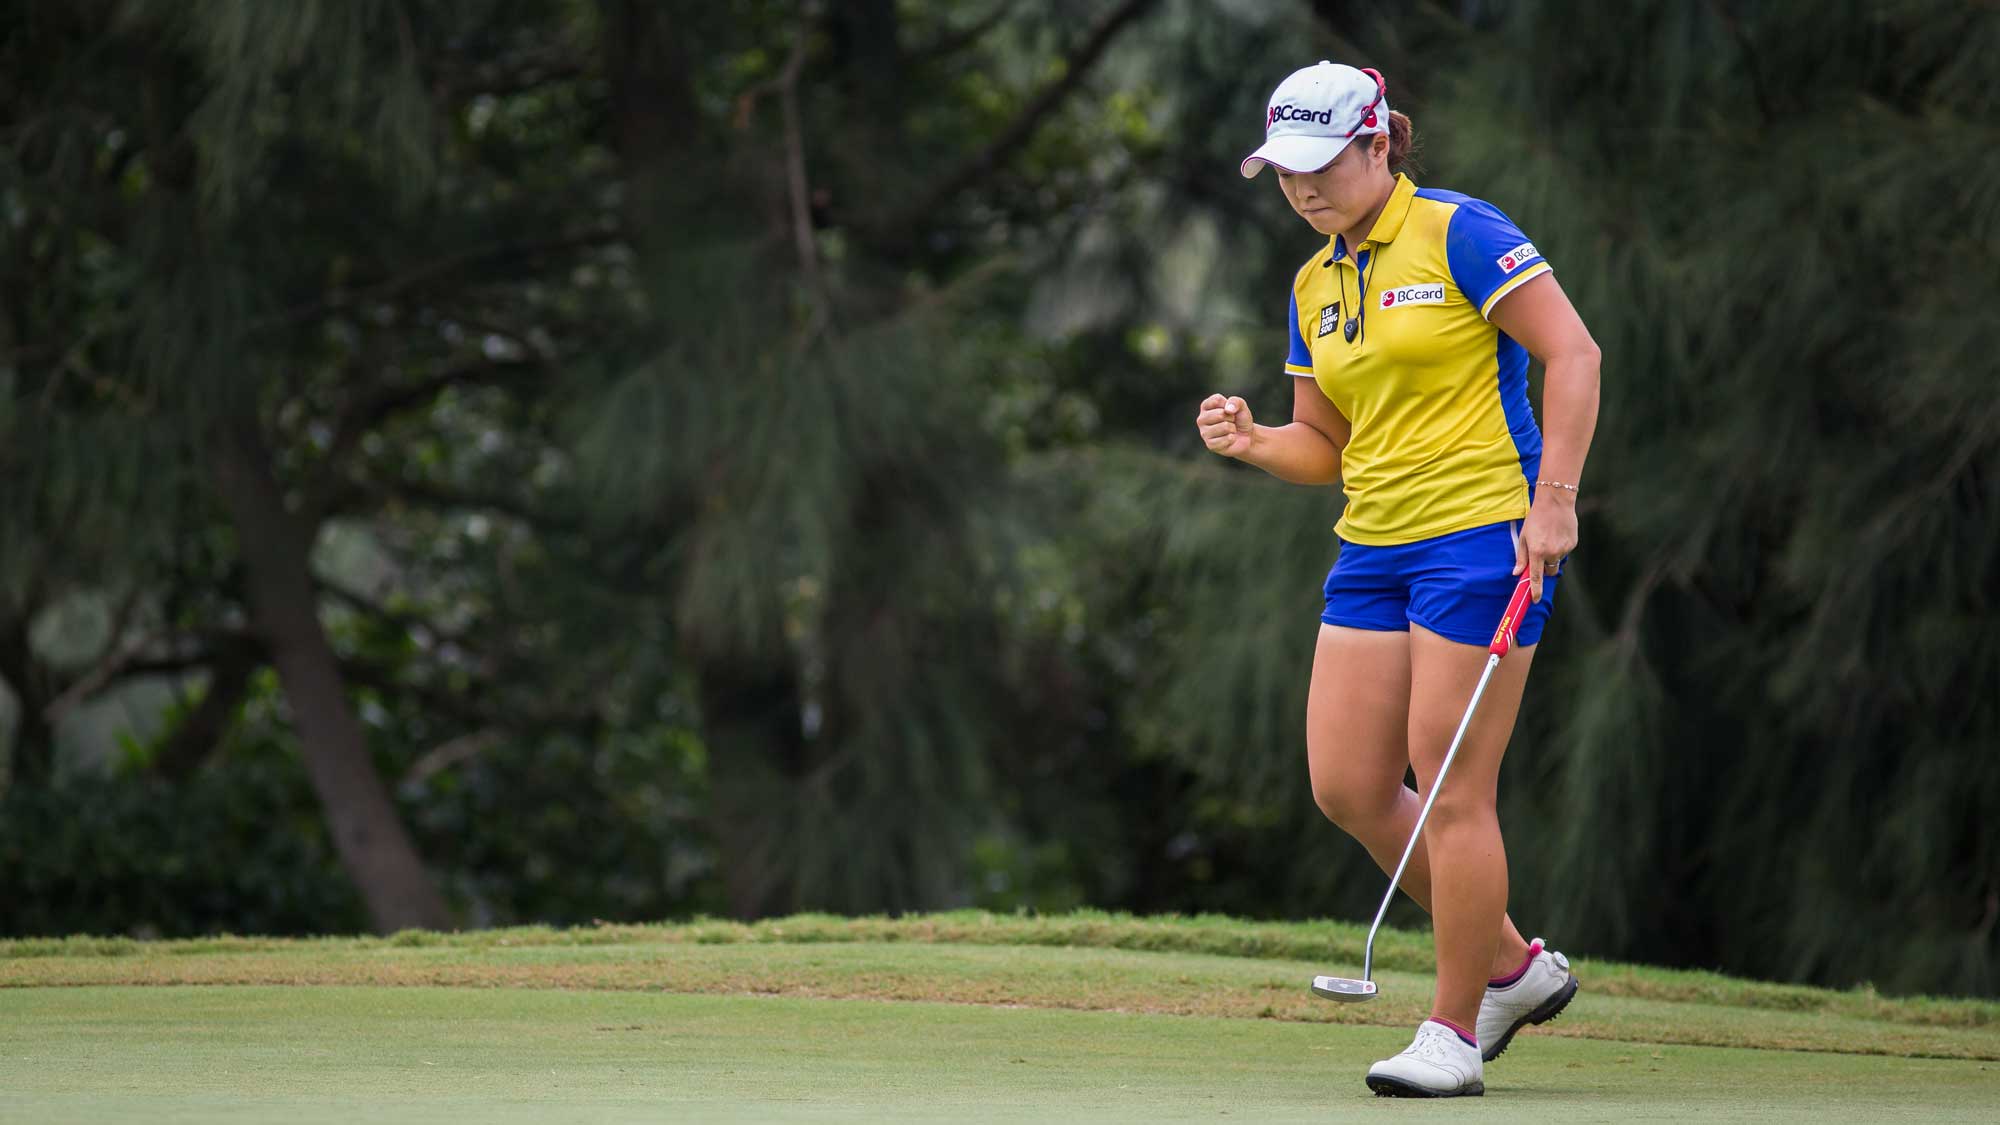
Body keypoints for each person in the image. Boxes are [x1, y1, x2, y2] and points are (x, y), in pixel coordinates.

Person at [1197, 61, 1601, 1098]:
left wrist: (1551, 497)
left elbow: (1574, 353)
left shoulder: (1459, 231)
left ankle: (1453, 1031)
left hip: (1481, 539)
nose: (1300, 189)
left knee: (1450, 786)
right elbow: (1321, 447)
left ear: (1378, 145)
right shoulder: (1312, 282)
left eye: (1321, 165)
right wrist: (1253, 442)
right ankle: (1510, 966)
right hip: (1370, 548)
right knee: (1346, 784)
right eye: (1283, 171)